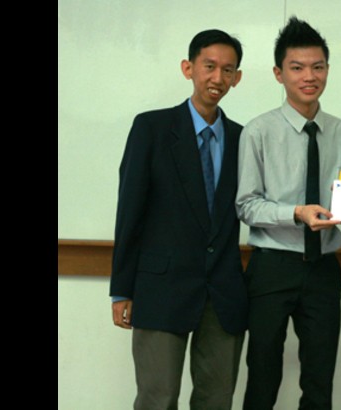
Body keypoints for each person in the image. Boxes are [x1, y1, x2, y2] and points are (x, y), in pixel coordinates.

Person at [109, 29, 247, 410]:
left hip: (222, 292)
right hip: (160, 288)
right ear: (188, 68)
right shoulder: (151, 128)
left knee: (216, 399)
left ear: (237, 78)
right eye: (209, 66)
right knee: (158, 397)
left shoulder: (244, 139)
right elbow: (130, 210)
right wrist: (122, 288)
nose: (217, 78)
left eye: (228, 70)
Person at [235, 16, 341, 410]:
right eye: (298, 67)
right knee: (263, 375)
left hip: (323, 267)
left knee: (320, 378)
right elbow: (246, 204)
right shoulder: (258, 132)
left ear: (327, 70)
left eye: (318, 67)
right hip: (272, 267)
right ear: (278, 73)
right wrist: (297, 213)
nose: (310, 76)